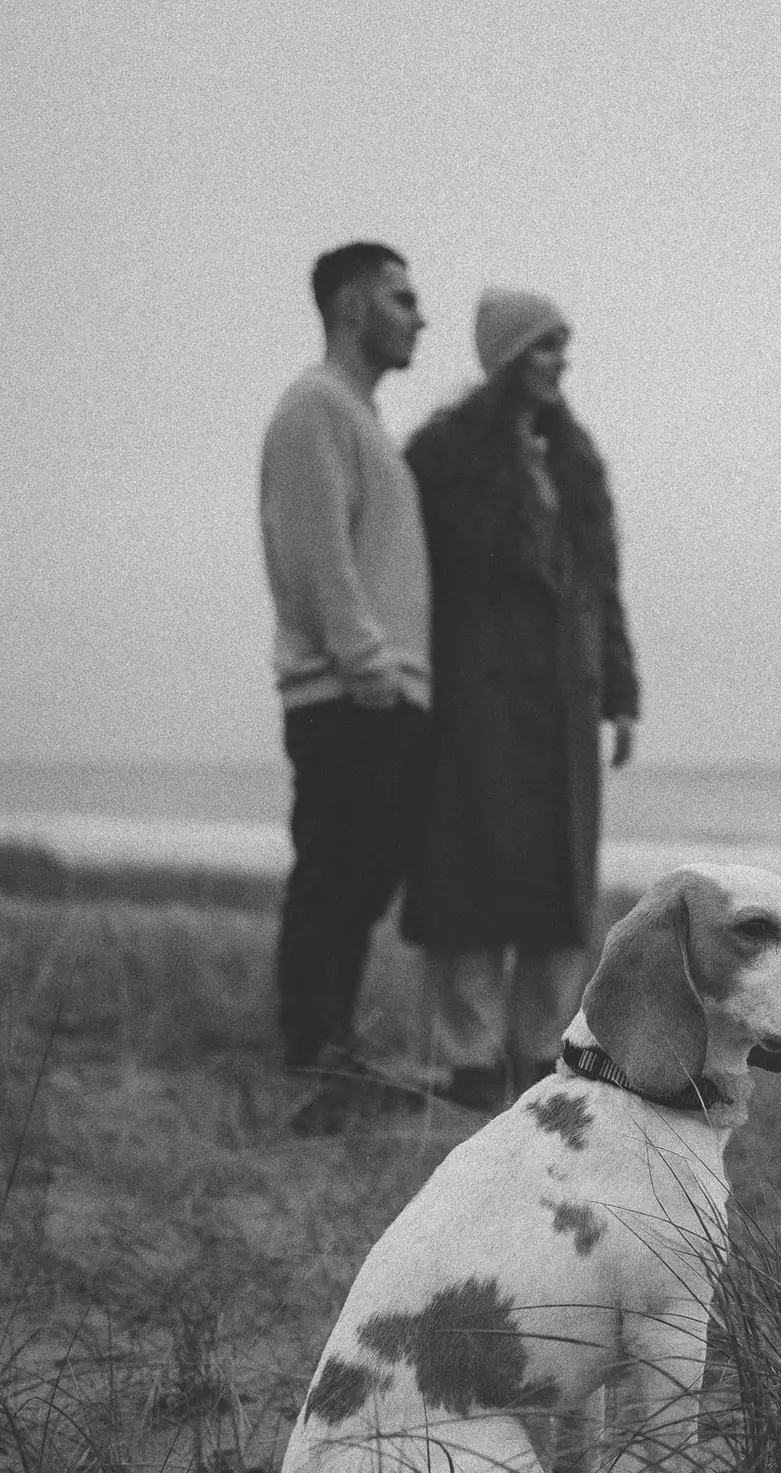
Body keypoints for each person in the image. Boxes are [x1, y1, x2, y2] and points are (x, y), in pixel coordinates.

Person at [402, 287, 640, 1110]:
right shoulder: (443, 454)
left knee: (557, 888)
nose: (560, 361)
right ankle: (469, 1060)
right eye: (543, 346)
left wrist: (621, 690)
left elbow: (602, 585)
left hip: (565, 705)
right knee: (469, 876)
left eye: (563, 346)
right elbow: (414, 582)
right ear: (507, 358)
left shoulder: (575, 456)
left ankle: (542, 1056)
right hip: (479, 695)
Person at [260, 241, 433, 1099]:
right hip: (348, 695)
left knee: (362, 884)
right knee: (333, 879)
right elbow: (317, 555)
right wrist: (369, 671)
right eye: (402, 298)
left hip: (380, 693)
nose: (420, 316)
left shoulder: (362, 420)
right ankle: (311, 1061)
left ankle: (331, 1052)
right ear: (354, 305)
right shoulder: (315, 407)